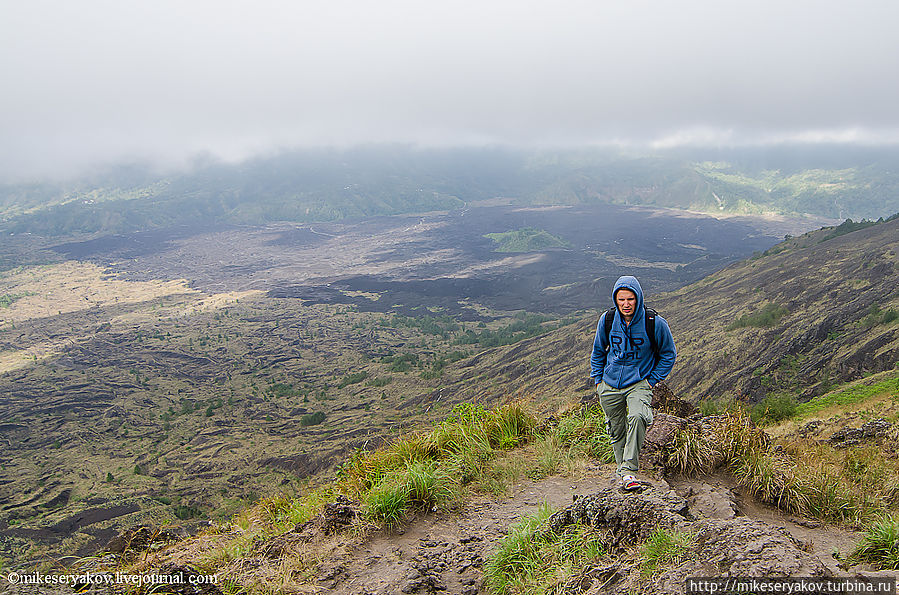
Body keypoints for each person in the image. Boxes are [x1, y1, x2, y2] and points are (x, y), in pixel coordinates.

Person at [590, 275, 676, 491]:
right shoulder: (608, 320)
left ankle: (629, 470)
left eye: (630, 299)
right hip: (609, 384)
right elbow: (598, 350)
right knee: (616, 429)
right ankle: (624, 473)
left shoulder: (654, 322)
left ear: (638, 298)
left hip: (639, 382)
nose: (626, 304)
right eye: (621, 300)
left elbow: (669, 354)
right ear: (615, 300)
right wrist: (598, 380)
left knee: (638, 416)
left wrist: (651, 380)